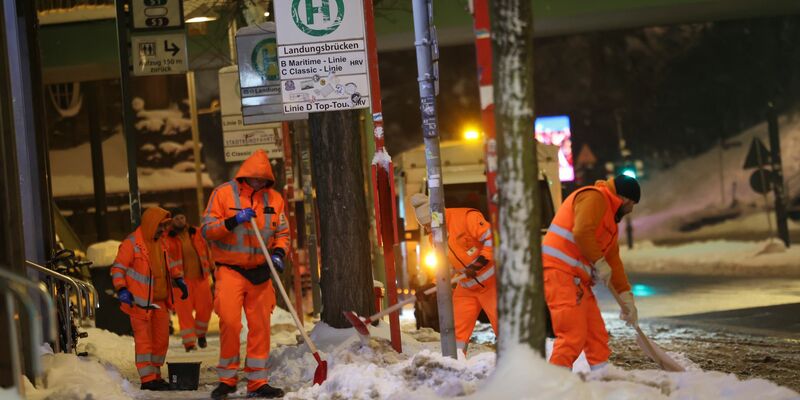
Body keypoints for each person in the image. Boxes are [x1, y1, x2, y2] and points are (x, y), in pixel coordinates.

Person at [202, 149, 290, 399]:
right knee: (230, 323)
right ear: (245, 176)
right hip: (230, 269)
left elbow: (282, 233)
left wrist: (278, 254)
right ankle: (227, 379)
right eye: (255, 178)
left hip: (260, 272)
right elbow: (207, 230)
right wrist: (233, 221)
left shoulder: (274, 200)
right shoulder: (222, 194)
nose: (259, 183)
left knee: (260, 326)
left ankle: (257, 381)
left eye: (264, 180)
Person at [542, 174, 641, 370]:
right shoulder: (595, 197)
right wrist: (598, 261)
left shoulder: (610, 222)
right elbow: (582, 231)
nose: (631, 210)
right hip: (559, 273)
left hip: (577, 280)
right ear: (626, 199)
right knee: (572, 334)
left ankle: (602, 376)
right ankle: (555, 382)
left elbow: (614, 261)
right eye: (632, 204)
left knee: (596, 333)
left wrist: (625, 296)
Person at [409, 193, 497, 357]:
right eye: (425, 226)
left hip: (493, 284)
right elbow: (444, 269)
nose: (428, 230)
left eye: (429, 224)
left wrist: (481, 261)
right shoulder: (434, 238)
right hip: (467, 288)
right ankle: (455, 361)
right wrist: (431, 285)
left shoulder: (466, 217)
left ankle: (516, 363)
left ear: (437, 217)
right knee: (456, 330)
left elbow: (492, 238)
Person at [110, 207, 188, 391]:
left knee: (161, 340)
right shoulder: (131, 243)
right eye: (160, 226)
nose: (163, 230)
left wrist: (178, 279)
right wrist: (121, 289)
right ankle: (148, 379)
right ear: (151, 224)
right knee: (144, 341)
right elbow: (118, 268)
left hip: (159, 301)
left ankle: (156, 375)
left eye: (164, 226)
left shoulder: (161, 243)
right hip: (139, 303)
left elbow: (167, 264)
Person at [165, 207, 214, 352]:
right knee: (184, 314)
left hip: (201, 278)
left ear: (185, 219)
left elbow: (207, 251)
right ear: (172, 221)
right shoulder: (167, 238)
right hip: (181, 283)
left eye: (182, 218)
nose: (180, 221)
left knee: (206, 308)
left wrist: (213, 268)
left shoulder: (196, 233)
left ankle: (201, 334)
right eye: (176, 218)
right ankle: (189, 343)